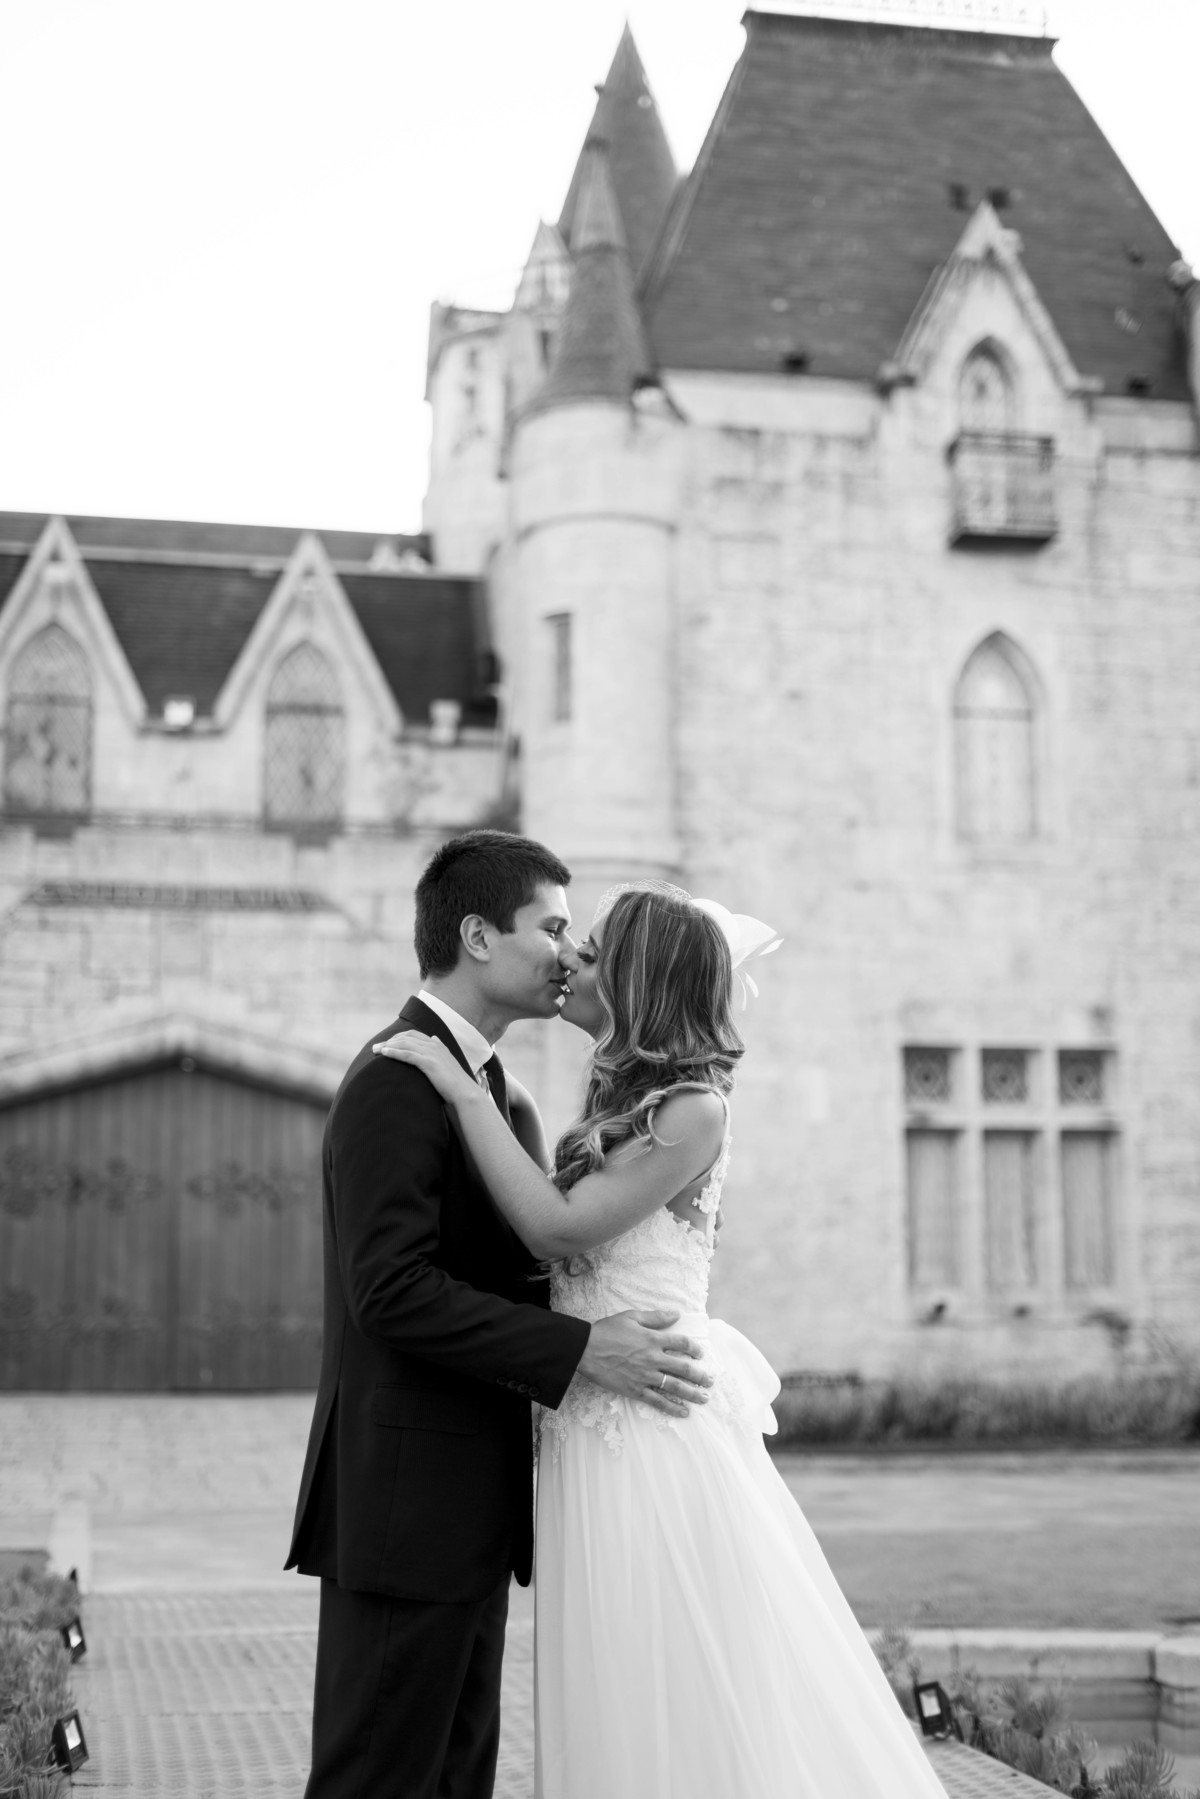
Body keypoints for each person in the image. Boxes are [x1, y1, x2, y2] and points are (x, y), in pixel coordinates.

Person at [375, 882, 950, 1799]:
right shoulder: (621, 1095)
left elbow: (557, 1232)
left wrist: (456, 1084)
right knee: (612, 1677)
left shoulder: (694, 1109)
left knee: (667, 1675)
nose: (571, 960)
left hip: (652, 1429)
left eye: (593, 951)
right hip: (589, 1419)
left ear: (640, 980)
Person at [285, 836, 713, 1799]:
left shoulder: (504, 1096)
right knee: (376, 1780)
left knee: (452, 1782)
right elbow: (390, 1292)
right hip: (402, 1510)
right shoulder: (397, 1080)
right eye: (555, 927)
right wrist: (582, 1352)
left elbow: (533, 1263)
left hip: (475, 1512)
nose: (569, 953)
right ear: (478, 935)